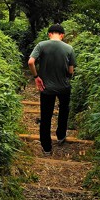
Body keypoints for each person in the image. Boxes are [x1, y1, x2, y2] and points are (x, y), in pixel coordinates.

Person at [28, 23, 76, 154]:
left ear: (49, 34)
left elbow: (31, 62)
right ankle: (60, 135)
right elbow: (71, 71)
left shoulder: (41, 45)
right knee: (64, 110)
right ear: (62, 35)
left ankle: (47, 147)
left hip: (46, 87)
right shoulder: (69, 48)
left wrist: (36, 77)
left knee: (46, 116)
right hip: (64, 87)